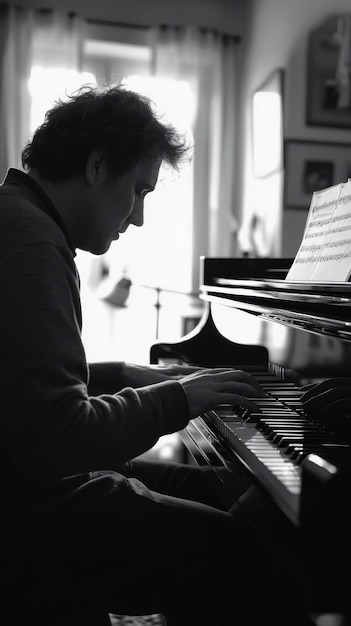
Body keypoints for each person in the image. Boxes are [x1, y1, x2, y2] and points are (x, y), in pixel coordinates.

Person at [0, 83, 307, 626]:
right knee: (237, 547)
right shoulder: (31, 243)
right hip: (28, 513)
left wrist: (124, 375)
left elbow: (22, 385)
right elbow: (56, 437)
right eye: (138, 192)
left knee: (215, 497)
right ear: (97, 165)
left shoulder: (19, 218)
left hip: (27, 486)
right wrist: (176, 397)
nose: (137, 218)